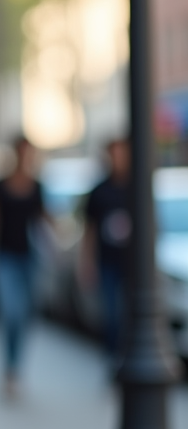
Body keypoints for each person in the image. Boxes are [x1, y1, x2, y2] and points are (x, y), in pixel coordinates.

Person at [0, 136, 52, 398]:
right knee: (11, 312)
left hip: (30, 259)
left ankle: (16, 368)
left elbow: (45, 221)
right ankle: (9, 368)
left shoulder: (37, 187)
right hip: (5, 257)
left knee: (25, 316)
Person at [80, 138, 131, 363]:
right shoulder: (100, 191)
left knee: (130, 315)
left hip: (131, 264)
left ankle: (125, 356)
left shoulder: (136, 188)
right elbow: (89, 231)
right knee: (111, 315)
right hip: (107, 262)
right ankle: (113, 360)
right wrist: (86, 263)